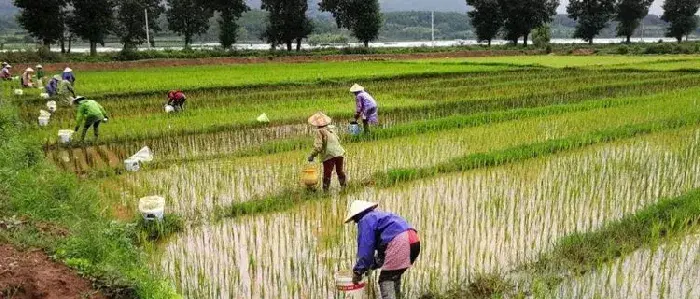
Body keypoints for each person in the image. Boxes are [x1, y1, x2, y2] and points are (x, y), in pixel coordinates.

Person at [345, 200, 420, 299]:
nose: (355, 222)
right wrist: (370, 266)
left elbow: (366, 250)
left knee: (385, 279)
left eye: (354, 219)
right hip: (414, 240)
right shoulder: (380, 217)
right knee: (394, 276)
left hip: (400, 242)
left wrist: (358, 271)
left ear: (357, 215)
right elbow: (382, 256)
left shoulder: (365, 220)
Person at [307, 112, 346, 191]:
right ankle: (344, 187)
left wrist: (312, 155)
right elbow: (338, 140)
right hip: (339, 153)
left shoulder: (319, 131)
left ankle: (325, 191)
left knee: (327, 174)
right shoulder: (331, 129)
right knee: (340, 171)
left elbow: (318, 146)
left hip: (329, 155)